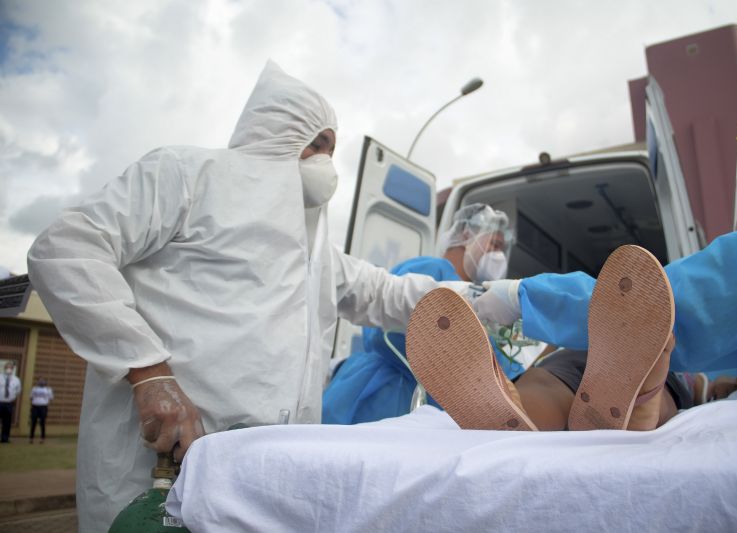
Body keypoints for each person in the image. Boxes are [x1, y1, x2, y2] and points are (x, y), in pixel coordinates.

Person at [27, 61, 468, 532]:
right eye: (317, 143)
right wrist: (149, 374)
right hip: (158, 472)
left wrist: (493, 298)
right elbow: (68, 249)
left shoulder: (316, 251)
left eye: (332, 150)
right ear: (278, 130)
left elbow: (389, 294)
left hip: (266, 483)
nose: (325, 162)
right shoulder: (186, 176)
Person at [473, 93, 737, 424]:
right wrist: (714, 387)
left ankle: (521, 412)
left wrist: (525, 297)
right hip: (645, 371)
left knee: (553, 380)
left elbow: (663, 307)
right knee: (647, 377)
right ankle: (635, 406)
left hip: (610, 362)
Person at [408, 245, 737, 432]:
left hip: (569, 364)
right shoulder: (697, 372)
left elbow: (715, 387)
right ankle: (642, 401)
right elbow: (715, 388)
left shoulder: (702, 379)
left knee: (543, 391)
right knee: (656, 394)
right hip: (619, 365)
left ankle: (517, 407)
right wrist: (727, 385)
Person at [323, 204, 522, 424]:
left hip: (429, 401)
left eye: (502, 249)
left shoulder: (471, 291)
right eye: (494, 245)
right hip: (392, 395)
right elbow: (383, 330)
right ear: (467, 234)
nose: (498, 256)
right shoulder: (433, 270)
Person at [1, 361, 22, 443]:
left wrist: (13, 399)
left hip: (9, 403)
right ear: (4, 368)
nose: (9, 369)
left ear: (13, 369)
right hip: (0, 402)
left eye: (10, 368)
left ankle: (5, 438)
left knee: (7, 422)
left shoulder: (16, 380)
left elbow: (18, 391)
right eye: (7, 367)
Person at [29, 378, 54, 444]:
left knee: (42, 423)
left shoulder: (48, 389)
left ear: (45, 382)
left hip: (43, 407)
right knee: (33, 422)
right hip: (35, 407)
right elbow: (31, 397)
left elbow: (51, 398)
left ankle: (42, 438)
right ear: (38, 382)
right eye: (40, 381)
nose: (41, 382)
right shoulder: (34, 389)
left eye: (43, 381)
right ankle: (31, 438)